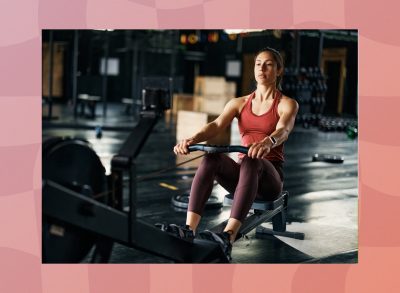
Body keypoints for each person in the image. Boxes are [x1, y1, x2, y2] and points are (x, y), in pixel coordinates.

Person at [171, 47, 299, 261]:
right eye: (258, 63)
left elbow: (283, 130)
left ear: (279, 71)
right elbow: (216, 125)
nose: (262, 68)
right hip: (243, 177)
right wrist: (192, 139)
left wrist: (268, 141)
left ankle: (228, 237)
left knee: (251, 159)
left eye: (268, 64)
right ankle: (188, 229)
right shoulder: (239, 103)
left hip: (270, 179)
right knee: (212, 158)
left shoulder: (286, 103)